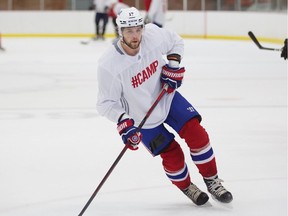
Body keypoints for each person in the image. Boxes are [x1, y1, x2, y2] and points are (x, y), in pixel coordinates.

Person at [96, 7, 233, 205]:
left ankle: (212, 181)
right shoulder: (109, 64)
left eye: (137, 29)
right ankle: (187, 187)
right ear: (120, 31)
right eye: (128, 31)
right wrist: (123, 121)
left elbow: (175, 42)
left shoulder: (152, 34)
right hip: (142, 117)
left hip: (166, 97)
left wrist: (173, 66)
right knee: (172, 154)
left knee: (197, 134)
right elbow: (105, 103)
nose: (135, 36)